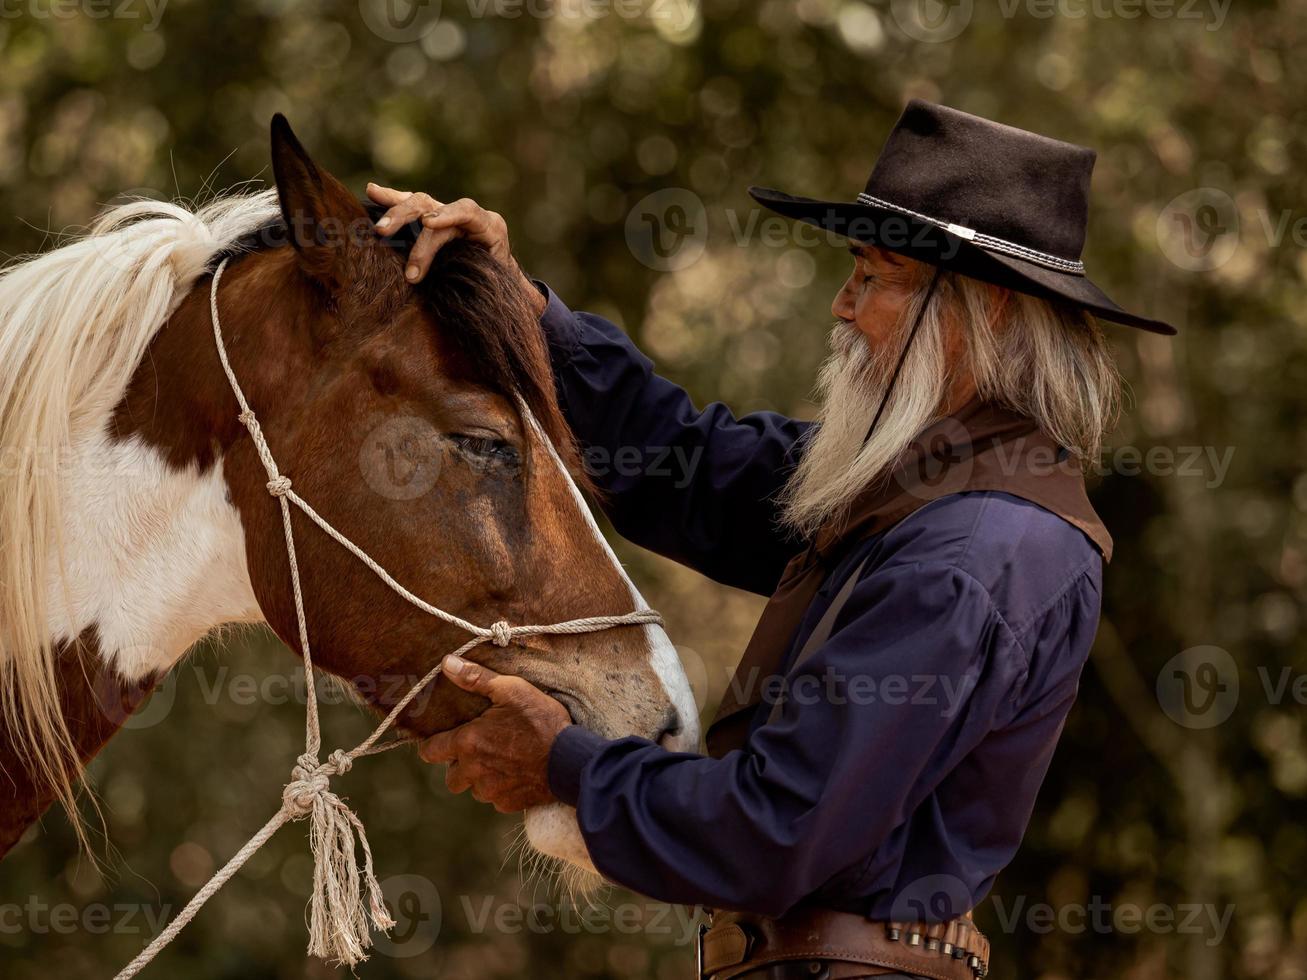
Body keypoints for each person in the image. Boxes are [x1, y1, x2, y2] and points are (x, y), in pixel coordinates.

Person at [368, 100, 1174, 979]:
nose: (841, 305)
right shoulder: (913, 489)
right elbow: (680, 462)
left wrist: (562, 762)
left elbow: (771, 831)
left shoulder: (972, 553)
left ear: (978, 309)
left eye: (874, 276)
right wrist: (516, 308)